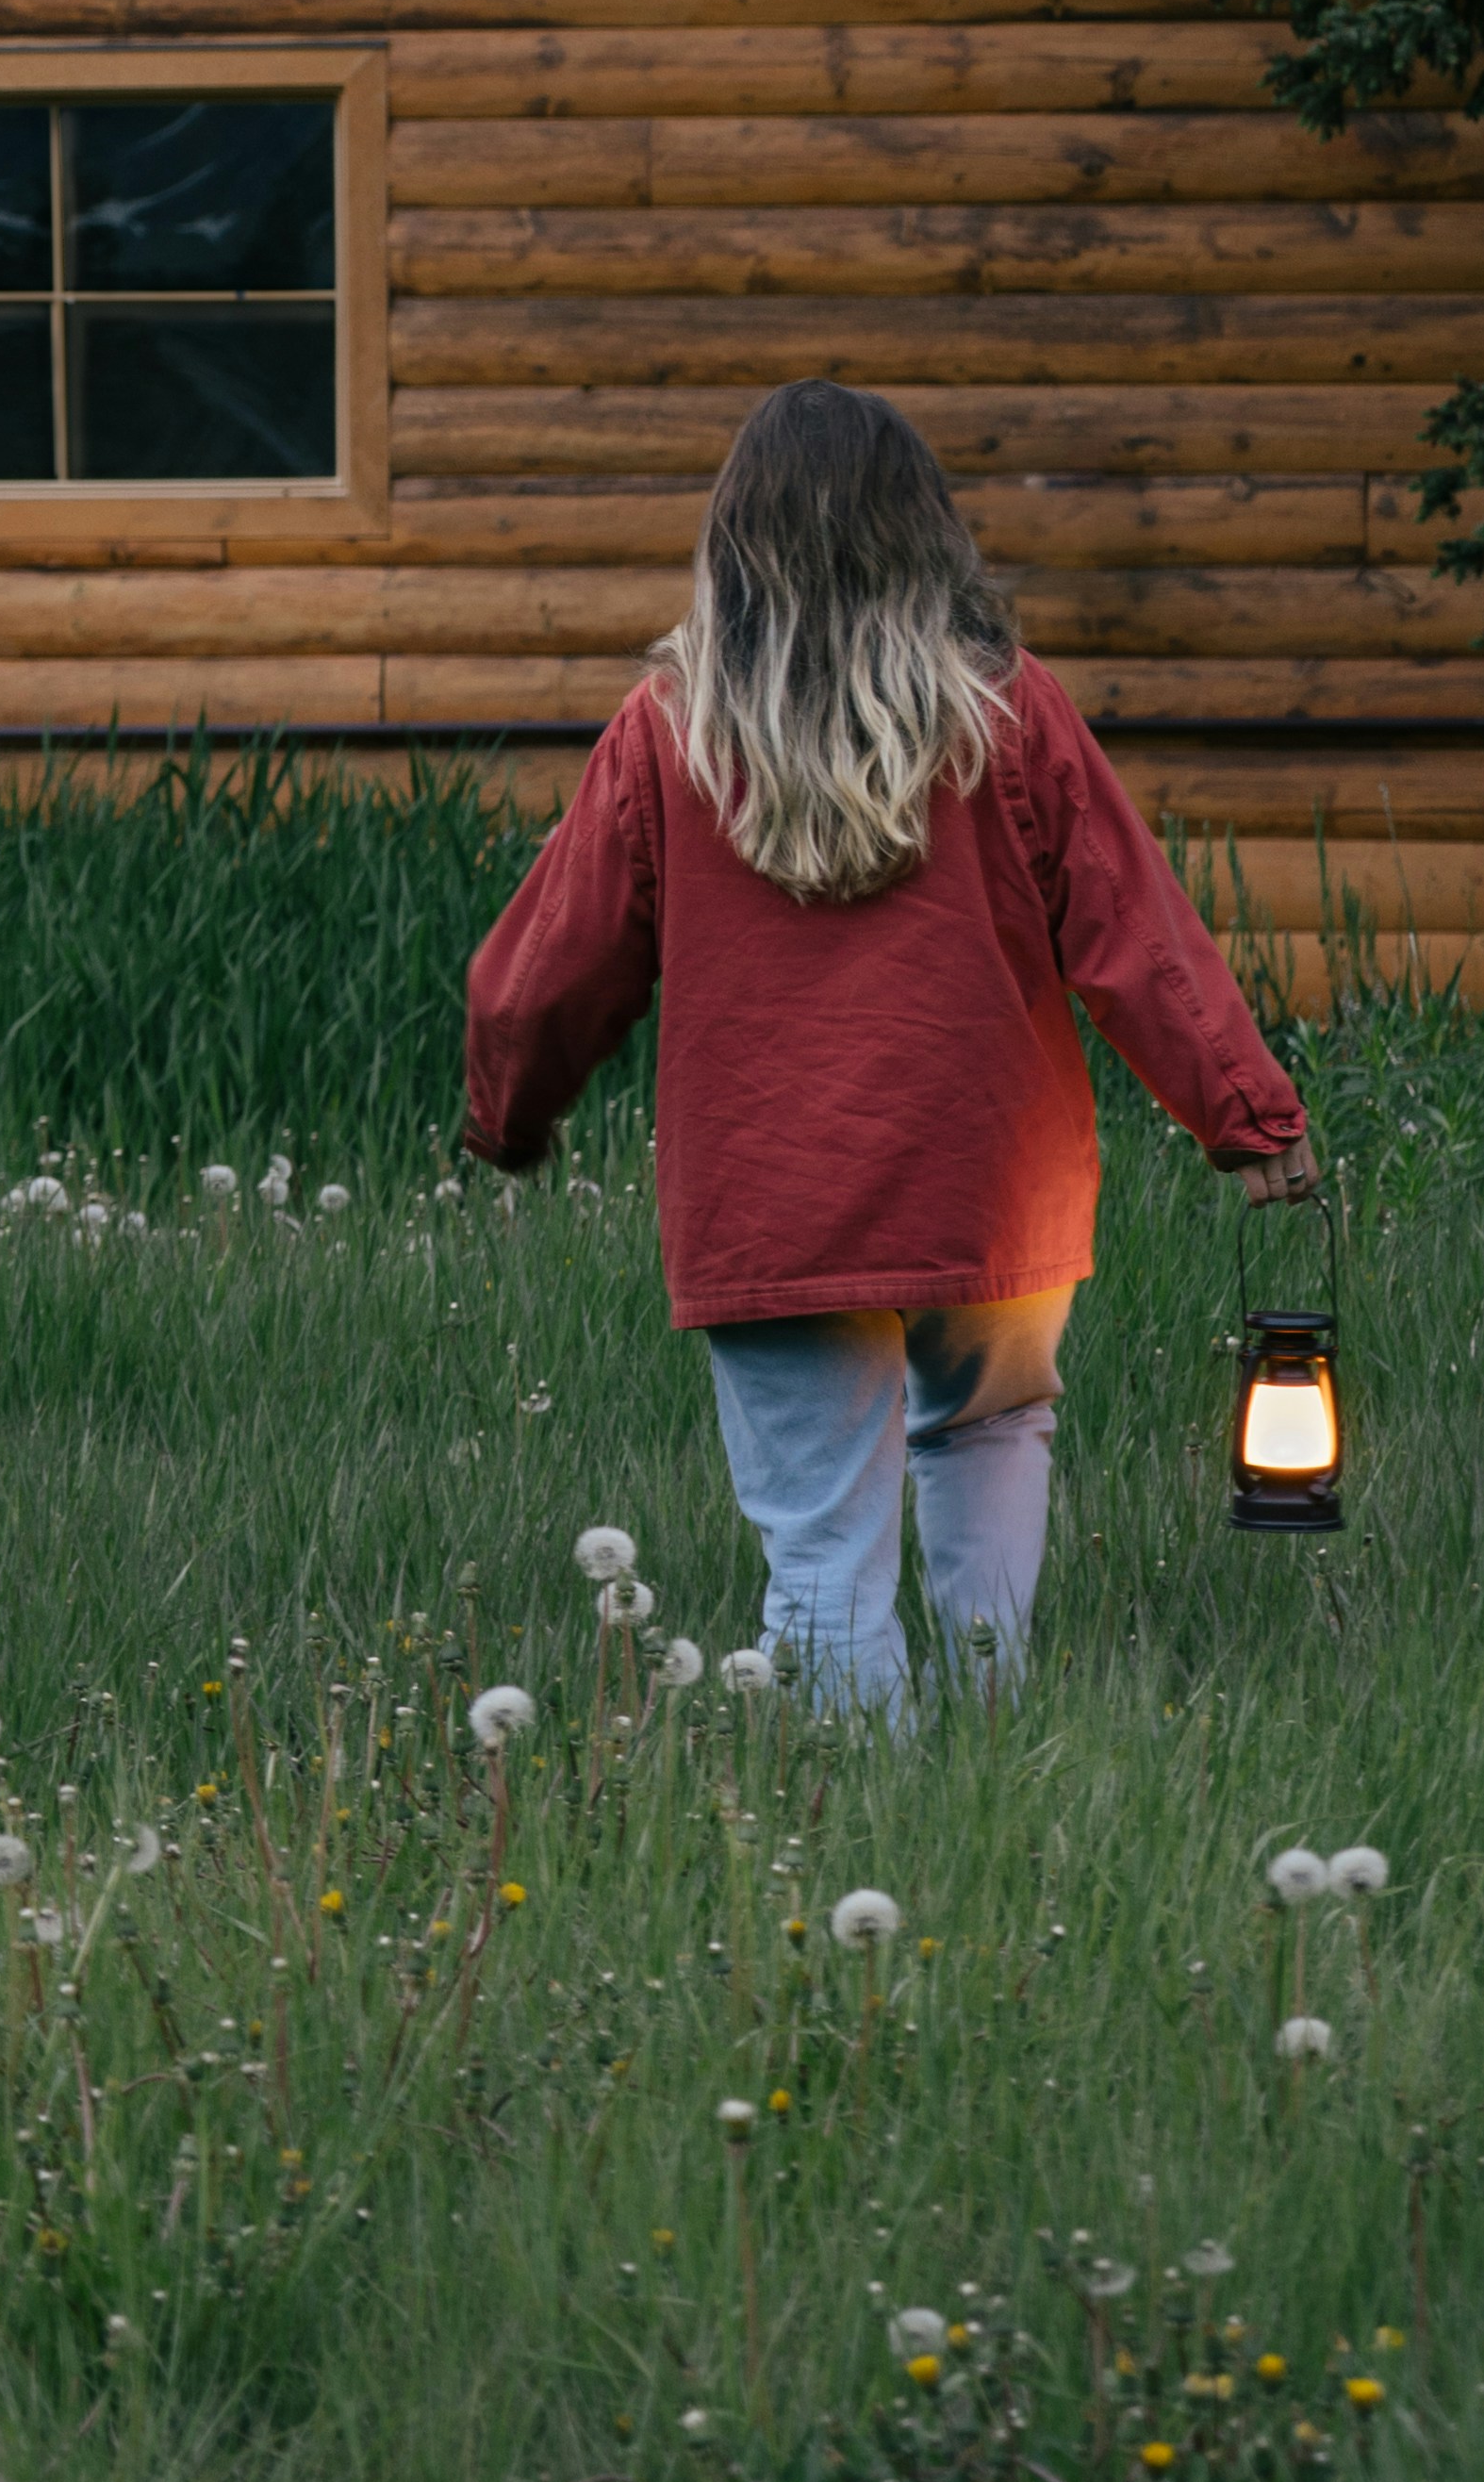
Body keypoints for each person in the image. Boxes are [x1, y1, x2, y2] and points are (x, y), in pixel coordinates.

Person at [460, 373, 1318, 1707]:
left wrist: (510, 1116)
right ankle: (991, 1745)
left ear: (733, 543)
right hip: (989, 1181)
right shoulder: (1003, 710)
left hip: (772, 1198)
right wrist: (1245, 1113)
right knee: (992, 1433)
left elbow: (546, 969)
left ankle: (863, 1834)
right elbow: (1135, 929)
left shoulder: (671, 731)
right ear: (927, 532)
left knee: (821, 1550)